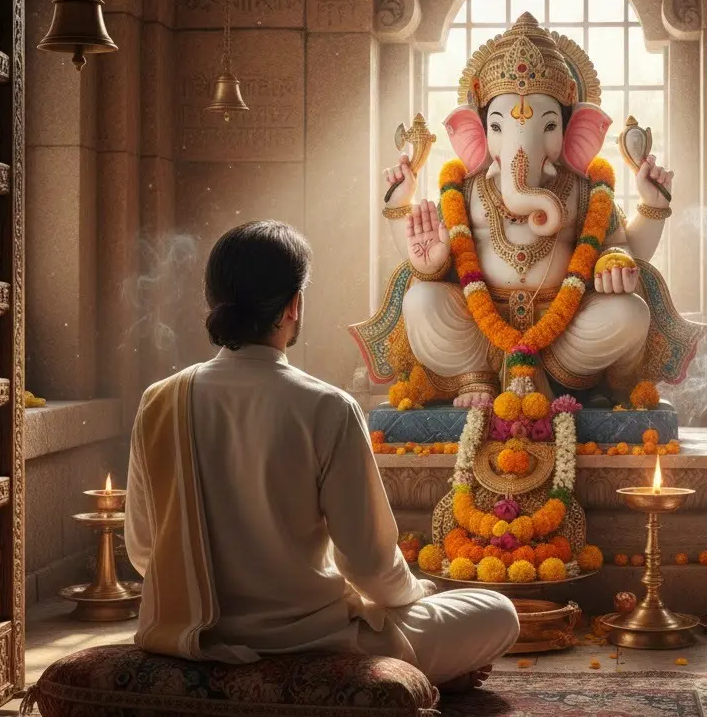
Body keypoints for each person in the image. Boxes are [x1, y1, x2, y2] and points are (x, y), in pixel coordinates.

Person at [124, 220, 519, 692]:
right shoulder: (326, 406)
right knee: (497, 612)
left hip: (189, 635)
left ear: (216, 303)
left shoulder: (159, 400)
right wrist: (413, 596)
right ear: (293, 304)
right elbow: (370, 566)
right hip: (316, 642)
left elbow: (145, 551)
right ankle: (422, 671)